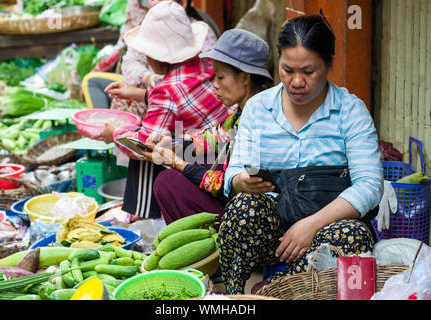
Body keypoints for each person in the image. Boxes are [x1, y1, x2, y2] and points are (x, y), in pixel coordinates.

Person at [217, 14, 384, 294]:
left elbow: (369, 185)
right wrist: (242, 182)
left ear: (330, 63)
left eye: (308, 72)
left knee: (354, 237)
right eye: (287, 69)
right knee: (243, 208)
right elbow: (233, 172)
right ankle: (234, 295)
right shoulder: (258, 108)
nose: (296, 82)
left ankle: (273, 289)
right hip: (272, 238)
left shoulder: (350, 110)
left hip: (326, 231)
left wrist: (310, 226)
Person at [95, 1, 233, 219]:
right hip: (226, 152)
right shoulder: (208, 65)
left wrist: (114, 134)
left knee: (144, 143)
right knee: (154, 133)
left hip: (208, 165)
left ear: (157, 58)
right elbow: (185, 97)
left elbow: (143, 147)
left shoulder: (166, 90)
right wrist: (141, 94)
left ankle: (144, 215)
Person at [135, 29, 273, 227]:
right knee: (192, 164)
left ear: (244, 78)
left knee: (168, 182)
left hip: (252, 215)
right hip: (236, 197)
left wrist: (177, 163)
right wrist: (174, 144)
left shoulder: (262, 119)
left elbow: (229, 184)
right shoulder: (242, 112)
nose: (214, 85)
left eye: (221, 77)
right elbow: (216, 136)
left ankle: (215, 248)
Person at [82, 0, 218, 118]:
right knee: (95, 82)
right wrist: (148, 77)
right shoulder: (150, 27)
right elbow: (130, 61)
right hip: (165, 104)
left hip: (185, 130)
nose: (151, 3)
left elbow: (177, 97)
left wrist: (115, 133)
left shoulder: (200, 49)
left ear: (182, 3)